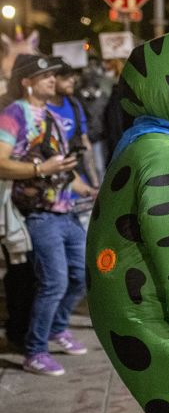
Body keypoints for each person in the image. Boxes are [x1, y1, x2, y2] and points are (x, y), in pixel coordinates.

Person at [0, 54, 94, 374]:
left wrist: (85, 188)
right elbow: (1, 162)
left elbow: (63, 164)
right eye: (44, 77)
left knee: (82, 275)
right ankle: (35, 350)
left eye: (53, 76)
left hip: (66, 210)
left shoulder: (51, 115)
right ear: (27, 82)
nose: (52, 80)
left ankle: (57, 328)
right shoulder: (14, 114)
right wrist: (41, 168)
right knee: (53, 281)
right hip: (40, 214)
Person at [47, 58, 99, 224]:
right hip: (53, 192)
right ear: (51, 80)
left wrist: (95, 182)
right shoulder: (40, 110)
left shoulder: (74, 104)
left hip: (81, 187)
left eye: (72, 76)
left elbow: (85, 143)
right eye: (65, 77)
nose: (72, 80)